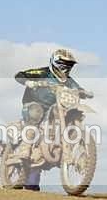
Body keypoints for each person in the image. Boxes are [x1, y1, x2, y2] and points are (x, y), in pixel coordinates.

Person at [13, 49, 92, 191]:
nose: (66, 67)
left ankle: (64, 149)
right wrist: (29, 82)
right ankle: (24, 148)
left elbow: (76, 87)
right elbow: (19, 75)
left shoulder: (68, 80)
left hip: (56, 108)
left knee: (71, 115)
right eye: (63, 64)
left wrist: (83, 91)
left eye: (69, 65)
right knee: (35, 112)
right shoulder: (42, 73)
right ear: (55, 62)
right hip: (34, 106)